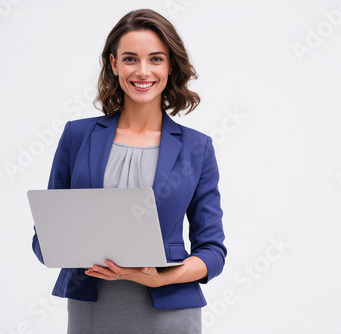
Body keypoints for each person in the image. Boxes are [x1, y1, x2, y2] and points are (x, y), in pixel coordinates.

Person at [31, 8, 227, 334]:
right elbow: (45, 237)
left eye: (155, 59)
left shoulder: (197, 148)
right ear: (114, 64)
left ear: (170, 65)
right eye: (130, 59)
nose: (143, 71)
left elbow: (213, 250)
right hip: (93, 308)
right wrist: (65, 247)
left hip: (170, 312)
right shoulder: (77, 137)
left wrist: (160, 277)